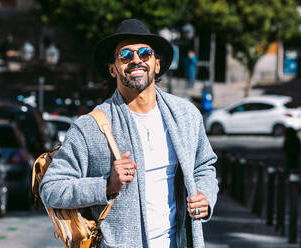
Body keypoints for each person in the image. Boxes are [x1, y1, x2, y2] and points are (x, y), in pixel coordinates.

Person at [40, 19, 218, 248]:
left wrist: (205, 196)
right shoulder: (90, 127)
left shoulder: (186, 116)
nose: (136, 59)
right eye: (125, 54)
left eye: (145, 53)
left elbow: (204, 165)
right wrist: (106, 185)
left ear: (156, 64)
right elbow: (51, 188)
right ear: (113, 68)